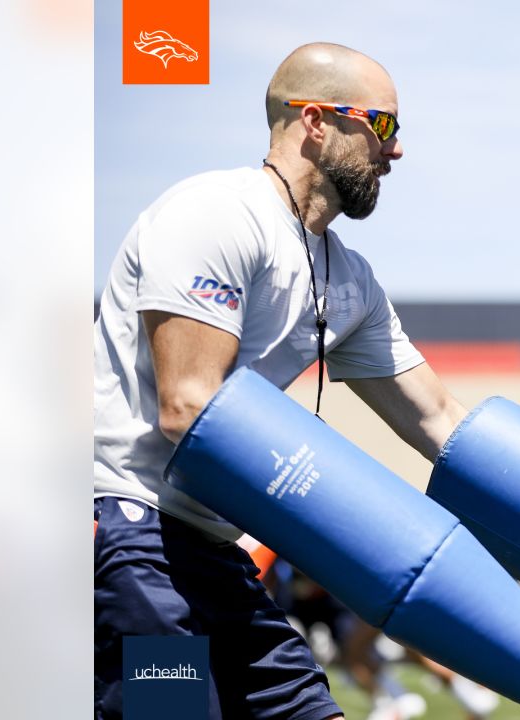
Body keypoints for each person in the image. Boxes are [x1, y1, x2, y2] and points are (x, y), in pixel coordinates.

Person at [94, 42, 468, 719]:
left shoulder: (347, 279)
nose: (397, 151)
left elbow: (442, 421)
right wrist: (347, 523)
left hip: (212, 553)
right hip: (131, 539)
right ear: (317, 122)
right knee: (169, 712)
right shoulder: (214, 213)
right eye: (383, 126)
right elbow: (188, 407)